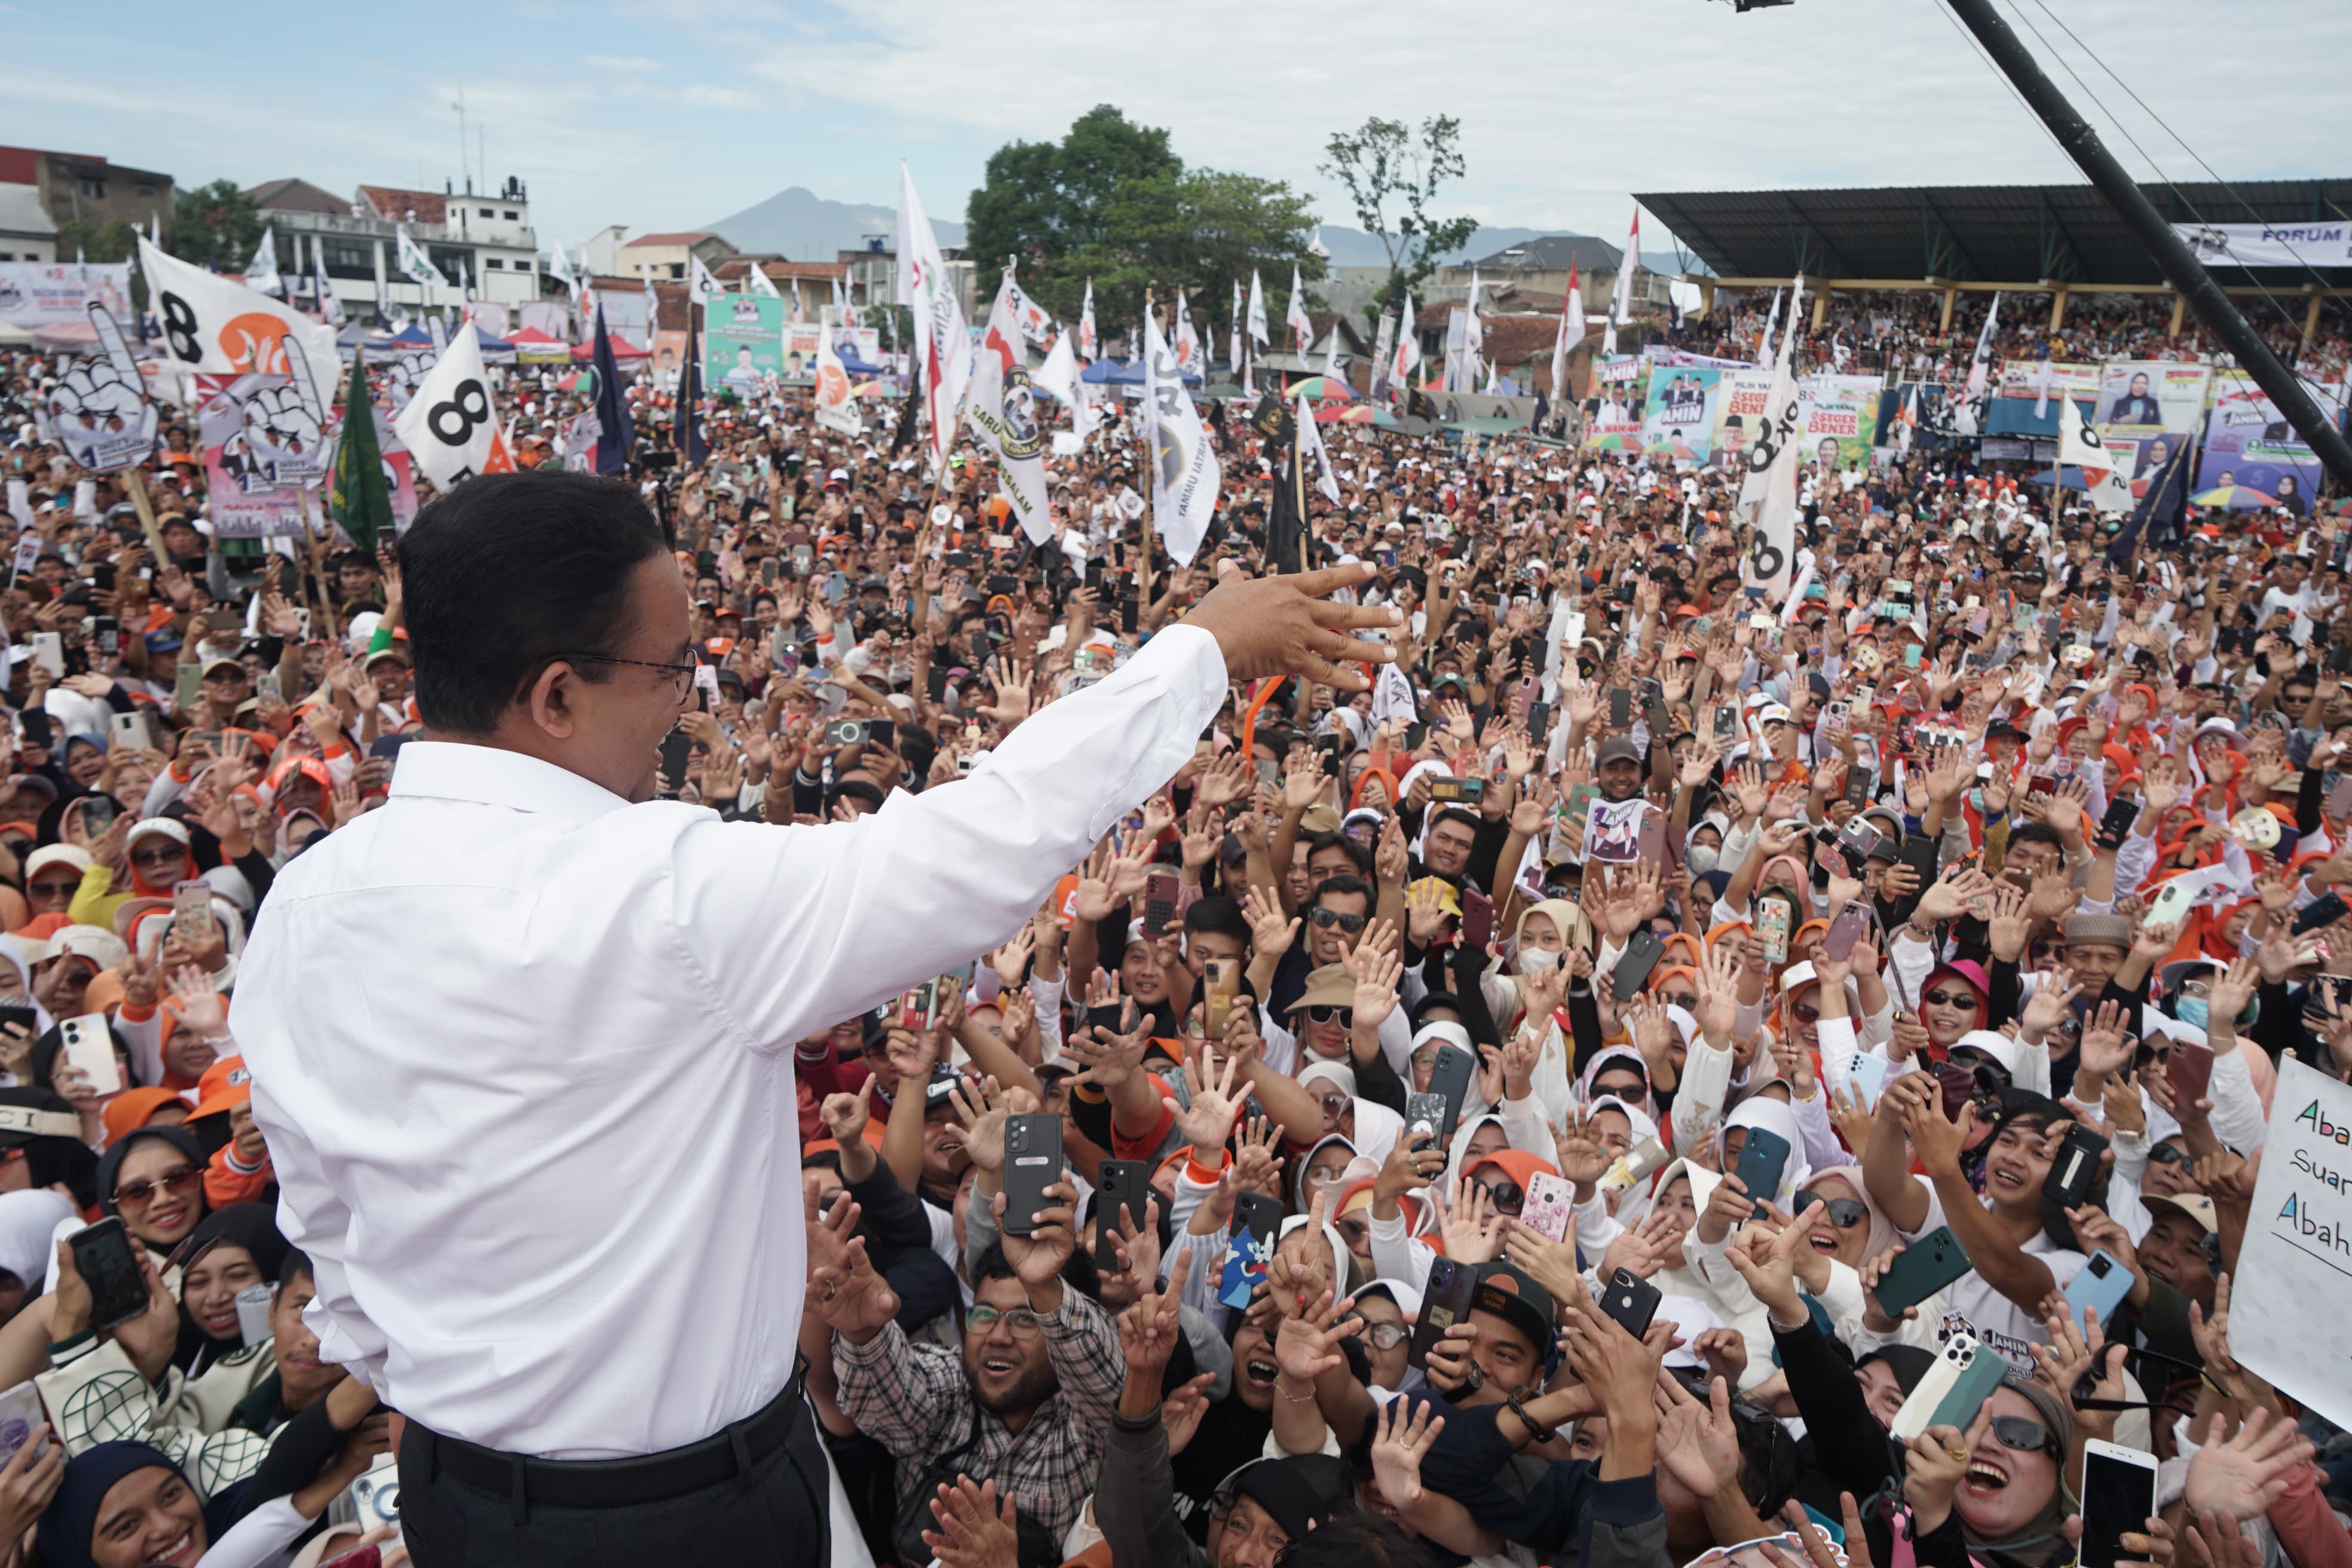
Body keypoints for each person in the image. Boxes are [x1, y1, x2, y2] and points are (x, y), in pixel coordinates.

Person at [231, 470, 1399, 1565]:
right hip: (687, 1514)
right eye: (672, 667)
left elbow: (328, 1220)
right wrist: (1202, 651)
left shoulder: (303, 905)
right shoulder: (661, 892)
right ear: (553, 694)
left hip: (456, 1495)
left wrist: (465, 1399)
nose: (689, 705)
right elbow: (976, 848)